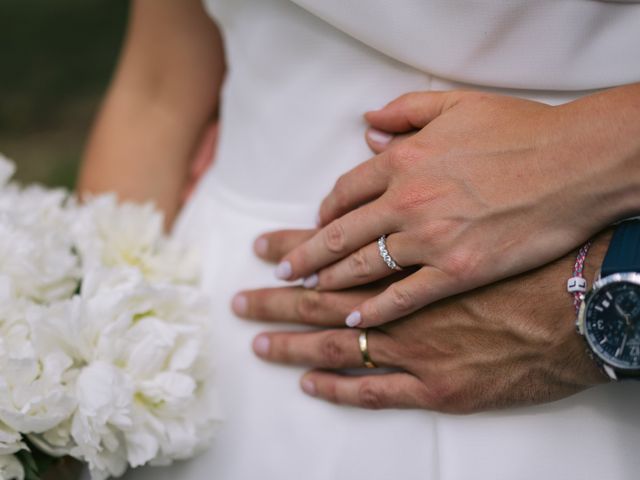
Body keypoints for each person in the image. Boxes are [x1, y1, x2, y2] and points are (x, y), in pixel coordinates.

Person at [78, 0, 640, 479]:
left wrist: (583, 154)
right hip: (224, 334)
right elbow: (157, 91)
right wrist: (82, 372)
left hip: (592, 308)